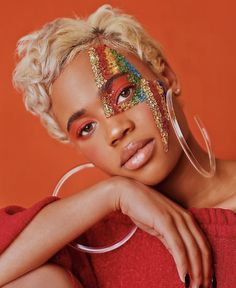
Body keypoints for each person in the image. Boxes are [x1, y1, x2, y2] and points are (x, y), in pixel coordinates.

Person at [0, 4, 235, 288]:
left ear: (166, 76)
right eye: (86, 128)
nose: (115, 129)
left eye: (124, 93)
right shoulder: (90, 247)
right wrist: (113, 194)